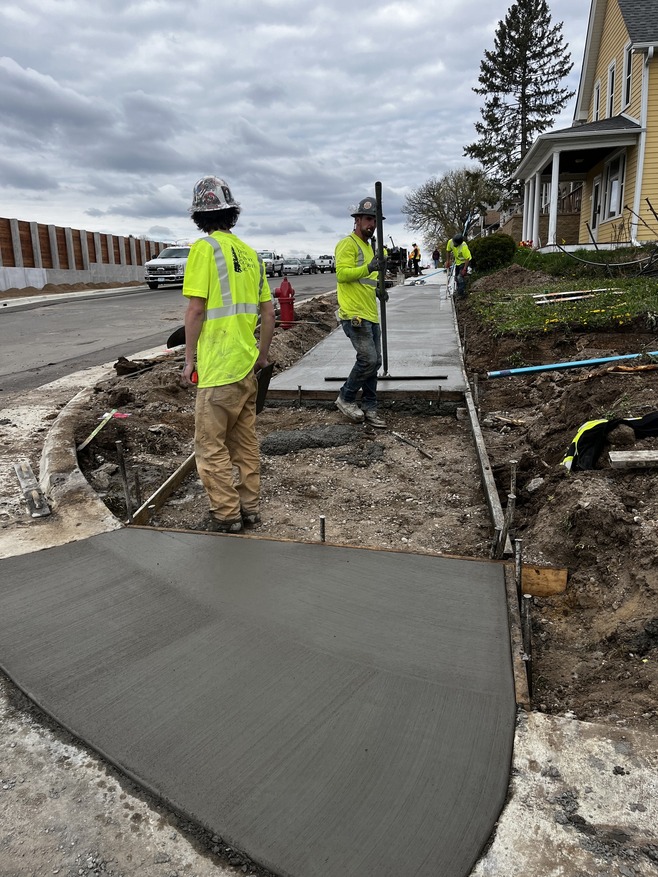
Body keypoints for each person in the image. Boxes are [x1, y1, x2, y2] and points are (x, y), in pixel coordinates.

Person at [181, 175, 276, 533]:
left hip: (217, 368)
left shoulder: (204, 250)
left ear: (199, 217)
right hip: (245, 366)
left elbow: (195, 311)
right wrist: (262, 356)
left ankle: (226, 514)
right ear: (231, 212)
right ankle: (250, 509)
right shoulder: (251, 255)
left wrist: (190, 359)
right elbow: (269, 314)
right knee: (245, 443)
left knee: (210, 447)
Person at [334, 196, 387, 429]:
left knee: (375, 362)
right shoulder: (348, 244)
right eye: (367, 219)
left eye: (374, 220)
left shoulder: (368, 247)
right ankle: (346, 397)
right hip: (354, 313)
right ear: (357, 220)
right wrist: (370, 267)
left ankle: (370, 406)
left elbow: (366, 280)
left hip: (370, 312)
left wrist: (379, 289)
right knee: (368, 359)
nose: (371, 224)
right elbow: (342, 274)